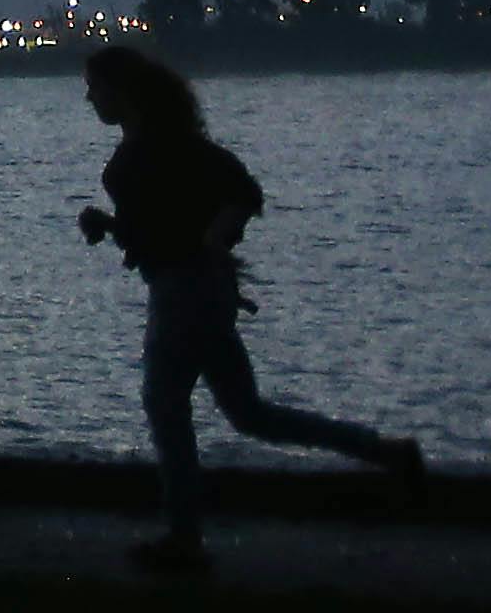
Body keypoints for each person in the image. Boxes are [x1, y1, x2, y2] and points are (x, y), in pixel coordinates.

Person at [77, 41, 423, 573]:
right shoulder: (157, 149)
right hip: (200, 291)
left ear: (121, 91)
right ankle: (386, 452)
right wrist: (112, 226)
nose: (89, 99)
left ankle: (183, 536)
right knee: (248, 413)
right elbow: (165, 226)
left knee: (167, 409)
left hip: (184, 294)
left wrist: (214, 239)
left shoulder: (161, 150)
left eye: (95, 88)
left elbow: (237, 196)